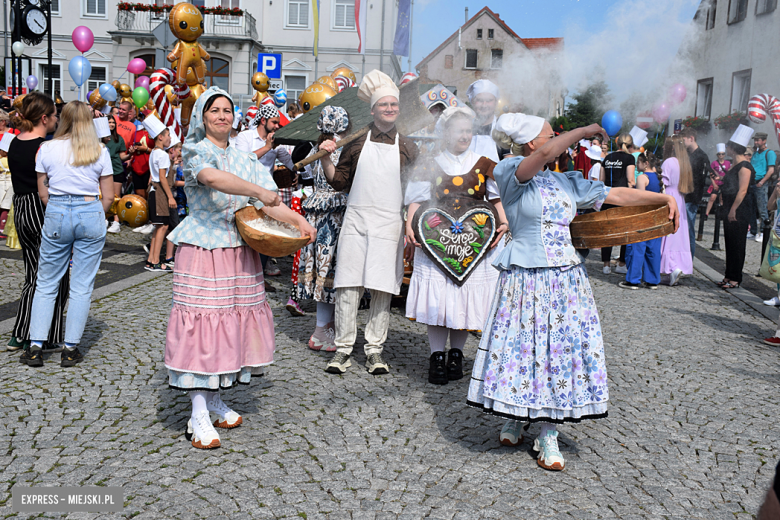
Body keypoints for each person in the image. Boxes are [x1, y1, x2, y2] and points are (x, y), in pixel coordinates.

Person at [467, 115, 679, 471]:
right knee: (522, 347)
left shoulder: (566, 181)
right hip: (526, 277)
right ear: (532, 142)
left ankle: (548, 430)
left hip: (565, 279)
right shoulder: (510, 170)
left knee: (558, 350)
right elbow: (545, 154)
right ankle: (517, 415)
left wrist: (662, 197)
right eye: (551, 134)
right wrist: (582, 131)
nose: (559, 139)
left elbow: (615, 194)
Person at [164, 87, 315, 450]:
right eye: (214, 110)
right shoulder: (195, 150)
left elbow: (269, 202)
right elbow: (213, 179)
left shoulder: (245, 157)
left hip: (240, 249)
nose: (221, 116)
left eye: (227, 110)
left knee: (231, 323)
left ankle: (214, 399)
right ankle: (197, 411)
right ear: (202, 116)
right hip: (204, 248)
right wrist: (260, 193)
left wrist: (298, 221)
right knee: (202, 327)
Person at [317, 69, 419, 375]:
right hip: (357, 221)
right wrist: (324, 158)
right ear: (372, 109)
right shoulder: (356, 141)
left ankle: (375, 350)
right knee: (348, 286)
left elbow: (419, 183)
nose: (389, 109)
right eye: (383, 105)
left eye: (393, 105)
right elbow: (338, 182)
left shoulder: (408, 146)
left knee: (382, 289)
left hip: (389, 223)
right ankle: (344, 349)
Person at [404, 106, 508, 385]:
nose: (465, 135)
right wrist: (408, 227)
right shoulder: (430, 162)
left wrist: (504, 223)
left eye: (468, 130)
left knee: (462, 298)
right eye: (459, 130)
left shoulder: (486, 163)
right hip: (436, 239)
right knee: (439, 300)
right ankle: (436, 356)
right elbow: (415, 199)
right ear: (446, 133)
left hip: (474, 240)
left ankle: (457, 355)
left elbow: (496, 200)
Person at [24, 101, 114, 367]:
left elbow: (43, 192)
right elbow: (108, 196)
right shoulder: (99, 150)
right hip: (89, 208)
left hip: (57, 208)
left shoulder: (47, 148)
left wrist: (59, 209)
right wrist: (95, 213)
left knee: (46, 281)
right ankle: (70, 347)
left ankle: (35, 346)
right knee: (81, 286)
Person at [6, 92, 69, 354]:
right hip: (41, 207)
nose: (56, 120)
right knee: (56, 274)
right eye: (54, 115)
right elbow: (49, 185)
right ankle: (43, 334)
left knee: (34, 273)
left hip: (20, 207)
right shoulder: (43, 147)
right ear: (44, 118)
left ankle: (21, 332)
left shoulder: (14, 142)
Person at [294, 107, 351, 352]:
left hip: (318, 214)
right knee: (332, 272)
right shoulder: (338, 147)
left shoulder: (316, 146)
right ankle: (323, 331)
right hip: (335, 214)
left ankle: (324, 328)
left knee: (323, 271)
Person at [713, 125, 756, 290]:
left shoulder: (744, 167)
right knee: (730, 243)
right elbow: (730, 185)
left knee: (737, 244)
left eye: (728, 146)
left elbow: (743, 190)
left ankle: (736, 278)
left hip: (739, 210)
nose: (726, 149)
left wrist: (733, 210)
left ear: (733, 148)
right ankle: (728, 275)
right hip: (730, 207)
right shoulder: (733, 165)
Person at [620, 153, 664, 289]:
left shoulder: (642, 178)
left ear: (645, 164)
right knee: (653, 249)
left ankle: (633, 279)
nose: (637, 166)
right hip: (656, 217)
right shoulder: (659, 178)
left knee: (636, 249)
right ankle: (652, 280)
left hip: (642, 217)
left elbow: (639, 200)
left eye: (638, 162)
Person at [659, 135, 693, 286]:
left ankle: (670, 267)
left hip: (669, 197)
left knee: (669, 234)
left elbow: (663, 183)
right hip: (680, 198)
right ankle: (677, 266)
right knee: (678, 235)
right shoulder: (684, 163)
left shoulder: (668, 162)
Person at [142, 116, 175, 272]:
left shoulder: (154, 152)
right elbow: (162, 177)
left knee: (159, 227)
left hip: (155, 191)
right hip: (160, 192)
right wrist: (170, 197)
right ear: (160, 137)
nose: (170, 139)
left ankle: (151, 259)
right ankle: (155, 260)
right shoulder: (162, 154)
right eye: (168, 136)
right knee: (163, 226)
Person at [600, 133, 636, 275]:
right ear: (630, 145)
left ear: (617, 144)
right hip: (623, 198)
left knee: (607, 232)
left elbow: (601, 181)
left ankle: (606, 265)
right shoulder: (629, 158)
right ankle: (621, 263)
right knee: (624, 231)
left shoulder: (608, 157)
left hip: (608, 197)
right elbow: (631, 181)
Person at [680, 128, 711, 259]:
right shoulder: (685, 153)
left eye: (684, 140)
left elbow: (700, 181)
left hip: (692, 198)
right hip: (682, 196)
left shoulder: (702, 156)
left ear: (691, 138)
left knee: (688, 230)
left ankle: (689, 259)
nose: (682, 143)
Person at [466, 79, 503, 162]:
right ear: (472, 101)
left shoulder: (502, 128)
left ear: (496, 102)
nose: (484, 105)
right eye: (479, 100)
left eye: (489, 101)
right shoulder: (465, 126)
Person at [104, 115, 130, 234]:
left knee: (116, 197)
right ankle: (103, 219)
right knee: (103, 196)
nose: (111, 124)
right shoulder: (100, 138)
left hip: (116, 170)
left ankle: (116, 221)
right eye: (109, 122)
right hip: (104, 171)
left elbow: (122, 157)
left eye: (113, 122)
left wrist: (130, 154)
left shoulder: (118, 138)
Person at [751, 132, 777, 242]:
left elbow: (770, 170)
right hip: (752, 182)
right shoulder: (755, 153)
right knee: (751, 208)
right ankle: (753, 231)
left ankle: (763, 231)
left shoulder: (769, 153)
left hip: (761, 183)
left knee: (762, 208)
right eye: (755, 140)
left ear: (764, 141)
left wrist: (762, 182)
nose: (756, 142)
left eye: (758, 140)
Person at [706, 143, 730, 217]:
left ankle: (721, 214)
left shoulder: (728, 163)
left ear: (724, 155)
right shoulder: (714, 163)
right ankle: (706, 213)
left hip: (724, 182)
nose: (721, 155)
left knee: (722, 198)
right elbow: (711, 175)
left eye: (722, 154)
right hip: (716, 182)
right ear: (717, 155)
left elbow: (728, 173)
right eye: (719, 154)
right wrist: (713, 184)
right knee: (712, 198)